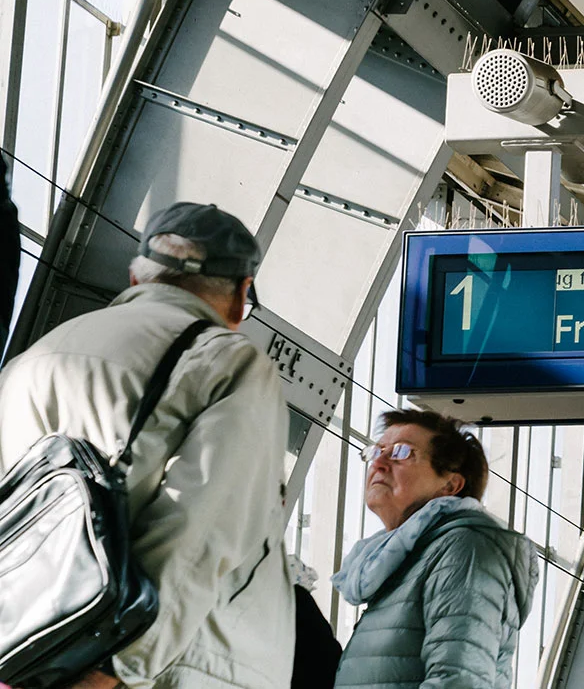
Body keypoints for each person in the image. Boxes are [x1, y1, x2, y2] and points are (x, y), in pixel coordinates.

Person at [0, 201, 292, 689]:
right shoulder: (228, 362)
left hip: (23, 652)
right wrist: (115, 669)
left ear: (137, 277)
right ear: (242, 296)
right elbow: (201, 530)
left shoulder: (29, 363)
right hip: (168, 668)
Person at [333, 409, 535, 689]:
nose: (378, 463)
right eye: (377, 450)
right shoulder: (404, 558)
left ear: (450, 485)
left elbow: (459, 681)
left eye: (402, 452)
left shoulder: (465, 549)